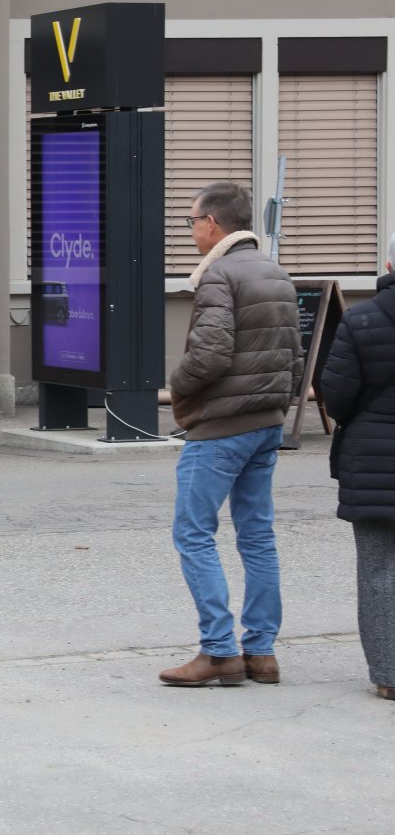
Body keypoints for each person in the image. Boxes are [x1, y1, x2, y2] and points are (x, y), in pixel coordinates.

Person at [160, 181, 303, 687]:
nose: (191, 230)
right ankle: (261, 653)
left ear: (212, 224)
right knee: (257, 536)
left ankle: (219, 651)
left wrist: (176, 385)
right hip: (266, 423)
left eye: (192, 221)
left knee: (193, 533)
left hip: (221, 426)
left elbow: (209, 356)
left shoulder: (219, 274)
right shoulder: (276, 271)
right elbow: (295, 356)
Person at [317, 231, 395, 703]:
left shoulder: (362, 319)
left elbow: (336, 393)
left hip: (373, 462)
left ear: (388, 265)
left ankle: (389, 673)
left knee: (378, 571)